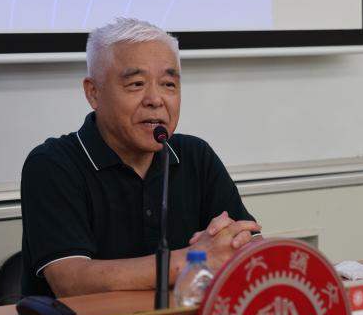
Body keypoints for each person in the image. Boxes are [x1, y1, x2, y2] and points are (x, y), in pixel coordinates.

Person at [20, 18, 260, 297]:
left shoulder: (195, 156)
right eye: (136, 84)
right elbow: (71, 280)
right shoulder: (52, 164)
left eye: (168, 84)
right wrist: (195, 259)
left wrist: (236, 244)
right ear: (93, 93)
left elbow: (251, 249)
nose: (155, 100)